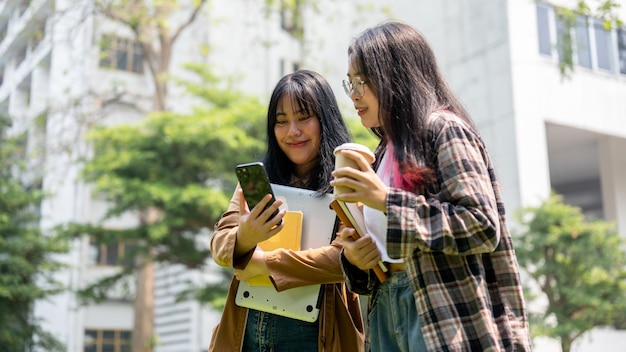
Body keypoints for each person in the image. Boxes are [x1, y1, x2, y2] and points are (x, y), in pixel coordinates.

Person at [330, 21, 532, 351]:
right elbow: (389, 247)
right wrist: (355, 258)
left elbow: (480, 224)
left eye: (362, 81)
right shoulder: (383, 152)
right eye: (349, 82)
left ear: (394, 76)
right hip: (385, 308)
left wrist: (385, 200)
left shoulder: (444, 129)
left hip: (440, 309)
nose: (353, 94)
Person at [209, 69, 365, 352]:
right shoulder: (260, 178)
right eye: (281, 121)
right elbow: (220, 244)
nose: (292, 131)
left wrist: (266, 263)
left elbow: (345, 258)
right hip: (248, 331)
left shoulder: (348, 176)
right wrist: (244, 236)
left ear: (325, 119)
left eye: (303, 117)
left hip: (315, 334)